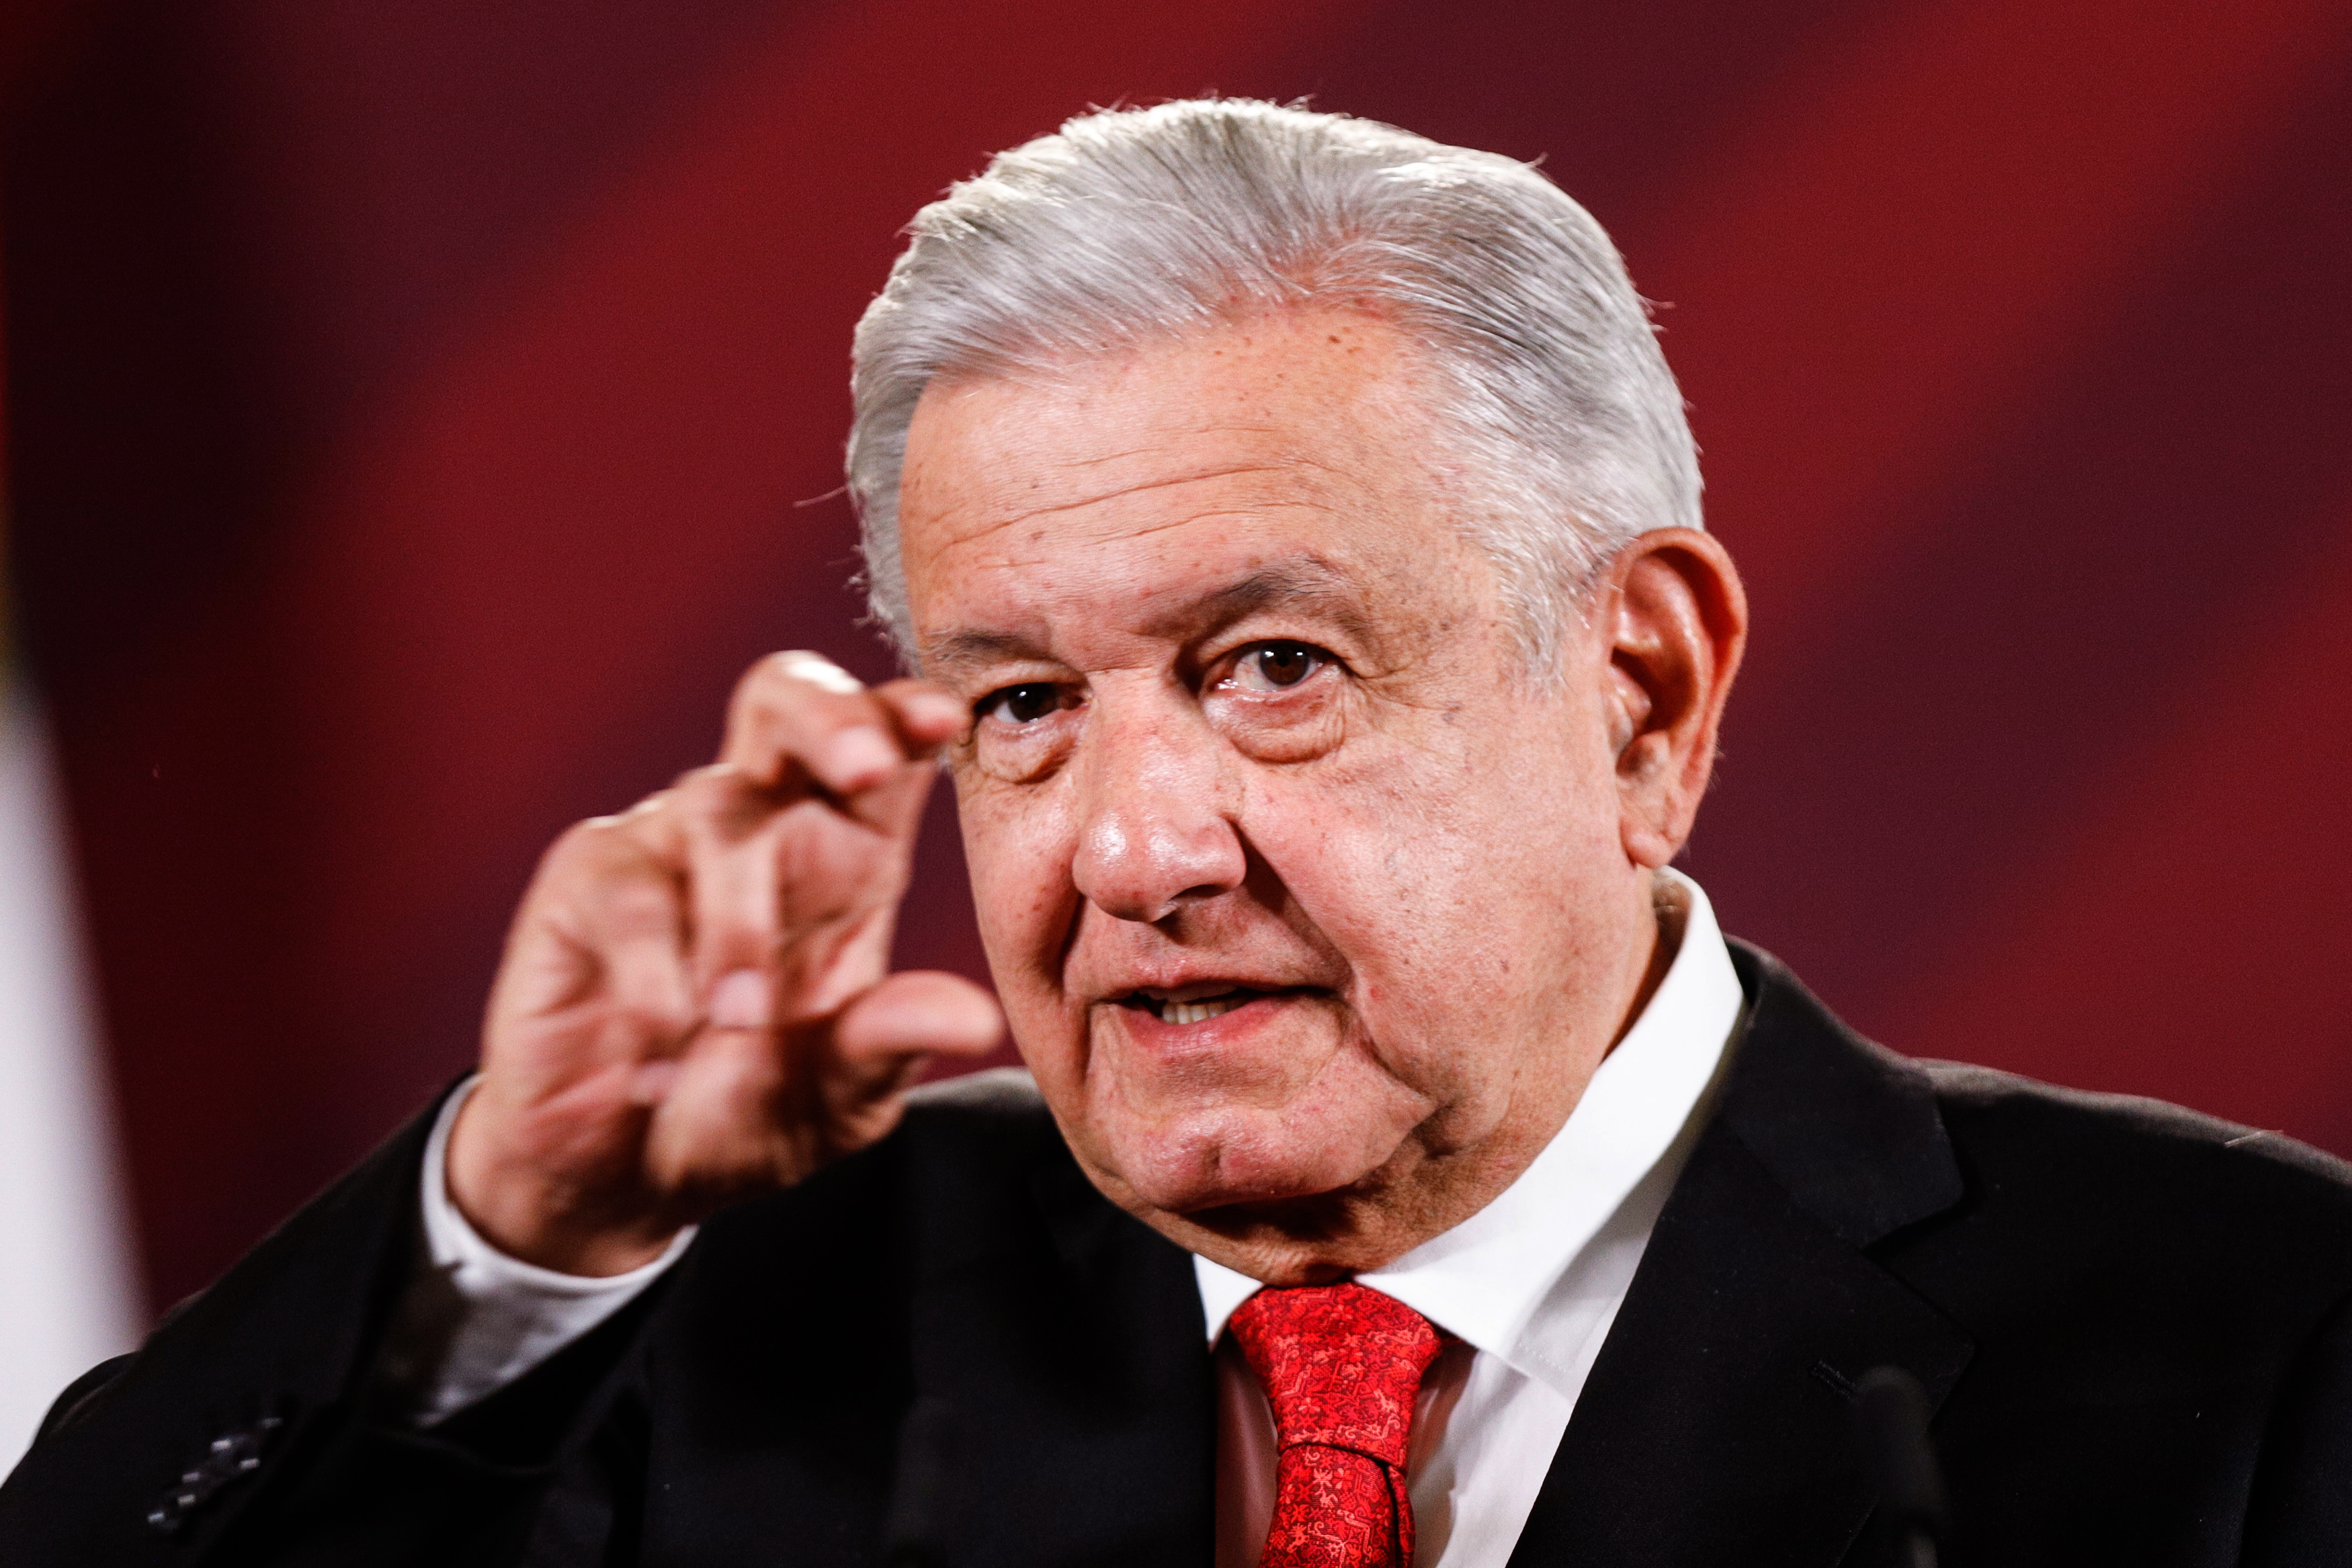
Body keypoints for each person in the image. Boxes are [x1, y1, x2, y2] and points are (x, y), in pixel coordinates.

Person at [3, 99, 2348, 1568]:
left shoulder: (2263, 1349)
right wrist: (508, 1227)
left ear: (1639, 689)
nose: (1131, 852)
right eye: (1024, 702)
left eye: (1270, 669)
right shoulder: (717, 1313)